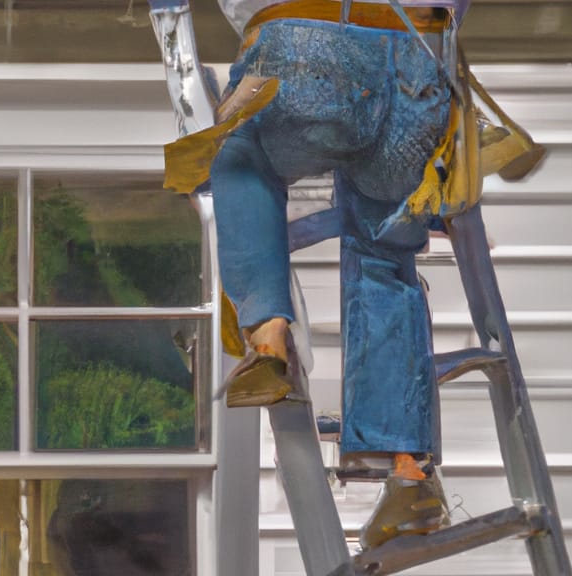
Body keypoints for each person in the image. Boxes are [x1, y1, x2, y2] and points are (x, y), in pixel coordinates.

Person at [162, 0, 544, 549]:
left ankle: (268, 334)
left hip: (306, 47)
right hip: (417, 67)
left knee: (241, 156)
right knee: (384, 252)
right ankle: (410, 473)